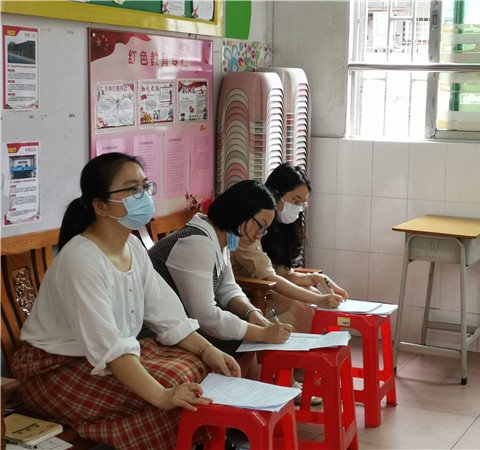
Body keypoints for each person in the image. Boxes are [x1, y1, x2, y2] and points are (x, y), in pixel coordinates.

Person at [10, 152, 240, 450]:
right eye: (132, 189)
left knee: (196, 367)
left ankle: (204, 443)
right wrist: (162, 396)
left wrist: (209, 351)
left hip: (102, 357)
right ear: (100, 206)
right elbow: (109, 347)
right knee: (172, 387)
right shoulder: (81, 259)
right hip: (53, 370)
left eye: (145, 186)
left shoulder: (132, 245)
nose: (144, 196)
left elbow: (168, 315)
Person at [148, 180, 293, 379]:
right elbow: (206, 316)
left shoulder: (219, 238)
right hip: (158, 331)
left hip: (185, 323)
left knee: (246, 330)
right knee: (244, 339)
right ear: (239, 212)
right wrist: (262, 333)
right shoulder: (196, 244)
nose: (259, 236)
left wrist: (252, 313)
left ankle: (258, 387)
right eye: (260, 226)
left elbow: (228, 289)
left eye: (264, 230)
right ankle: (250, 389)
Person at [231, 163, 348, 335]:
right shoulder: (250, 227)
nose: (298, 208)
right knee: (300, 303)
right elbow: (269, 276)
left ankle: (306, 350)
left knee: (310, 292)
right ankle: (293, 351)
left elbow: (282, 273)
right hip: (247, 291)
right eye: (295, 201)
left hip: (267, 286)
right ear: (275, 194)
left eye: (302, 203)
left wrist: (316, 278)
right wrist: (319, 299)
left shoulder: (281, 227)